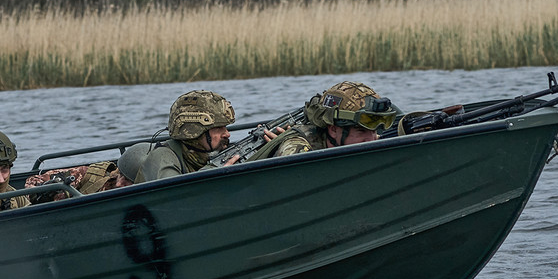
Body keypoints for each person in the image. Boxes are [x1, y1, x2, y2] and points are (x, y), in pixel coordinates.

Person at [250, 81, 398, 160]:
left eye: (374, 131)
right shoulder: (297, 145)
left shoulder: (363, 141)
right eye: (361, 131)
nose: (372, 139)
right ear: (333, 129)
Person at [135, 90, 236, 182]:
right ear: (194, 132)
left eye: (225, 127)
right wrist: (214, 171)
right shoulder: (162, 158)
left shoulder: (201, 155)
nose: (227, 134)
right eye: (218, 128)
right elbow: (177, 196)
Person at [23, 141, 150, 202]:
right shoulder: (88, 175)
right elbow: (33, 182)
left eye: (127, 181)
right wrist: (50, 191)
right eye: (120, 175)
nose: (118, 183)